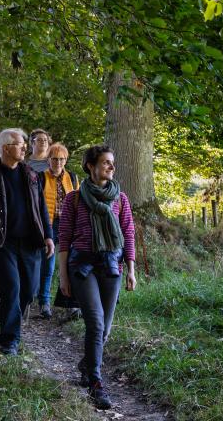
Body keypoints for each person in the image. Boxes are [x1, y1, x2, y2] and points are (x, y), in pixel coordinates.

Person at [58, 145, 136, 409]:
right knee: (96, 323)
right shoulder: (74, 199)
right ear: (90, 166)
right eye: (105, 162)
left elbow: (128, 234)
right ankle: (95, 383)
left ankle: (86, 364)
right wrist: (63, 277)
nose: (111, 167)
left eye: (112, 162)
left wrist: (132, 269)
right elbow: (64, 239)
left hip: (112, 265)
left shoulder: (120, 199)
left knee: (105, 328)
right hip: (81, 266)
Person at [0, 128, 54, 355]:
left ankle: (7, 315)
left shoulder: (31, 175)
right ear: (6, 148)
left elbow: (42, 210)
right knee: (11, 289)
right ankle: (9, 341)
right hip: (2, 244)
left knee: (29, 291)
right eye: (20, 144)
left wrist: (48, 235)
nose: (24, 148)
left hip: (30, 242)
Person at [37, 143, 79, 319]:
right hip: (49, 225)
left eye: (62, 159)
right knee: (48, 266)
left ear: (66, 160)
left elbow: (78, 201)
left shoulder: (72, 177)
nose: (58, 162)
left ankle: (71, 305)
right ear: (48, 160)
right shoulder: (41, 177)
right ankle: (44, 303)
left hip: (68, 225)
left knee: (70, 264)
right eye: (55, 159)